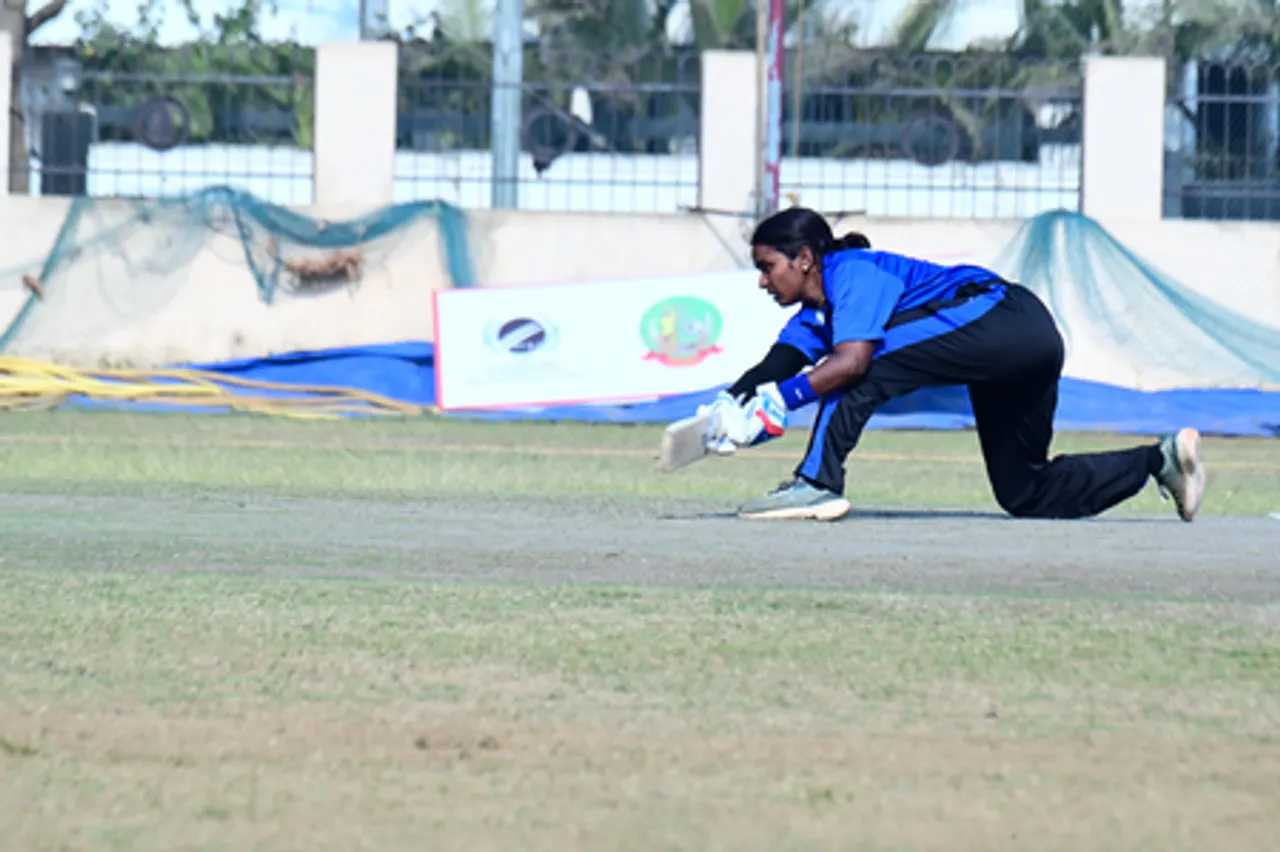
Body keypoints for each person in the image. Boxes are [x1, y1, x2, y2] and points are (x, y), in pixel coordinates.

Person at [700, 206, 1206, 522]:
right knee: (1025, 491)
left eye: (767, 268)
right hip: (1025, 344)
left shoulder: (851, 271)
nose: (763, 282)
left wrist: (783, 400)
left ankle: (816, 485)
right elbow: (778, 363)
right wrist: (727, 404)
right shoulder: (814, 316)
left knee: (858, 368)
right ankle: (1158, 461)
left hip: (1002, 315)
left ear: (805, 258)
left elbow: (852, 364)